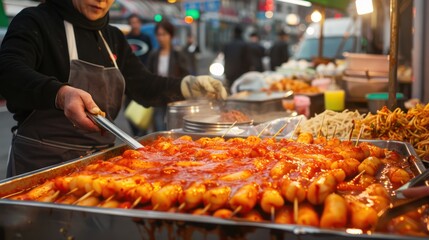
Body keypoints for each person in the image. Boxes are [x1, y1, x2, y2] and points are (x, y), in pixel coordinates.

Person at [0, 0, 227, 177]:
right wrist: (60, 94)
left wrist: (187, 86)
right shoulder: (36, 22)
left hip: (99, 165)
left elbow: (143, 86)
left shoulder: (112, 37)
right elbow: (8, 71)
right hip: (41, 163)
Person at [146, 20, 190, 132]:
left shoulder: (178, 54)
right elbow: (148, 75)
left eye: (164, 34)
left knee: (174, 128)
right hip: (158, 97)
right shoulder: (154, 55)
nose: (161, 38)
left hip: (174, 98)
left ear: (171, 36)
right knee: (160, 128)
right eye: (159, 34)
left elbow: (185, 75)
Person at [124, 14, 153, 136]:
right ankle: (135, 133)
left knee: (142, 108)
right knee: (128, 110)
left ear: (140, 23)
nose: (134, 25)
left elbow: (151, 56)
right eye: (132, 22)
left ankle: (142, 134)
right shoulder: (125, 39)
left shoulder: (146, 38)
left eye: (137, 22)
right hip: (129, 80)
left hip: (143, 79)